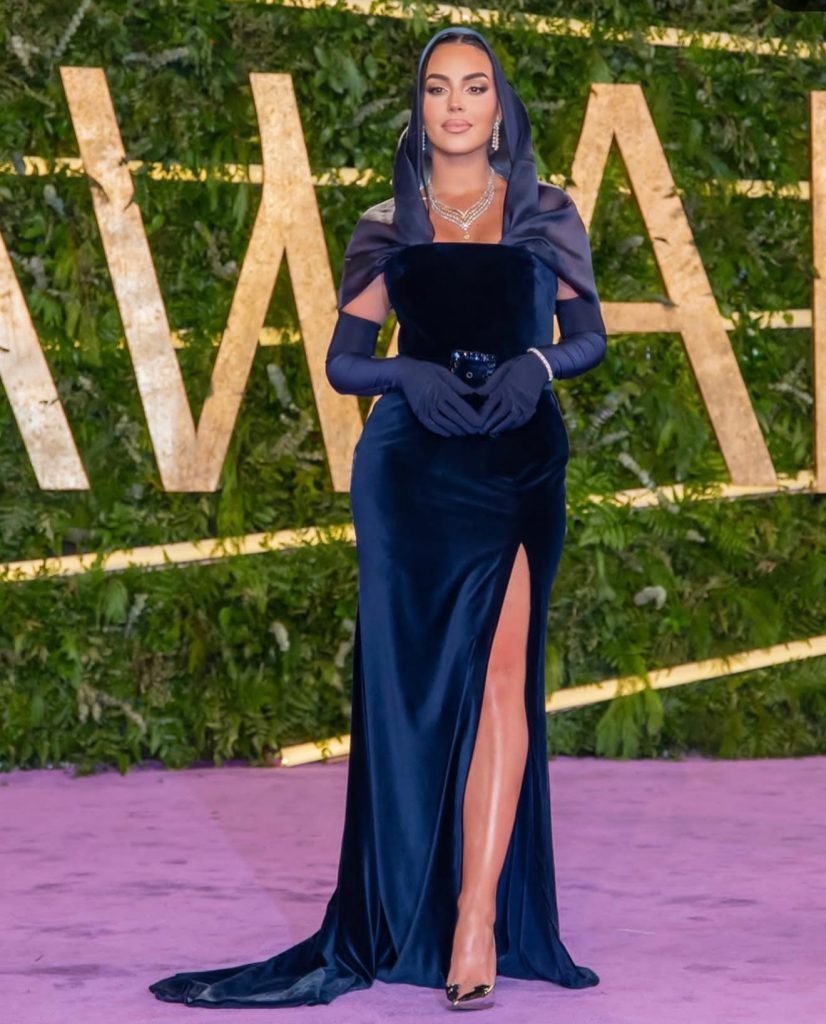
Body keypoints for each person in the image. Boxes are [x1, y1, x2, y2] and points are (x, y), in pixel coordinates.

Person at [149, 25, 607, 1011]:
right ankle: (404, 906)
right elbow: (344, 361)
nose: (455, 105)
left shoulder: (545, 210)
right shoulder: (385, 221)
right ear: (418, 105)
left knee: (502, 679)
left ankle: (476, 918)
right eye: (438, 87)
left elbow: (588, 338)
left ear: (499, 104)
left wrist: (536, 364)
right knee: (410, 697)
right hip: (410, 470)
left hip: (517, 463)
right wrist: (404, 372)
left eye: (473, 87)